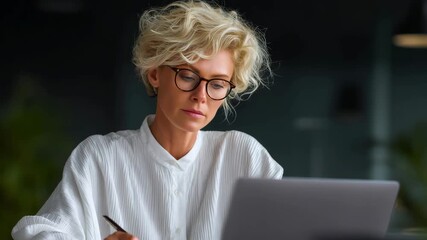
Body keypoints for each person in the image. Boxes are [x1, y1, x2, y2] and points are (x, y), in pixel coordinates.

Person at [11, 0, 283, 239]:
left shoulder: (246, 157)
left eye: (218, 83)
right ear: (155, 74)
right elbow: (40, 233)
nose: (201, 95)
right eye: (188, 76)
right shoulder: (99, 158)